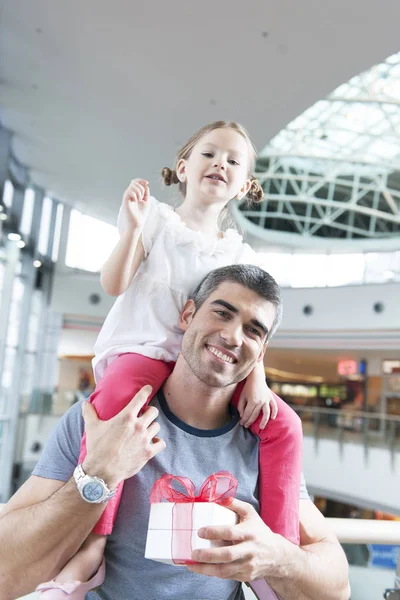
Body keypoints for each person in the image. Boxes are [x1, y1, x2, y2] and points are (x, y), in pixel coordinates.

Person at [31, 121, 302, 592]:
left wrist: (256, 380)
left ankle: (275, 551)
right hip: (143, 352)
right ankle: (95, 537)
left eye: (234, 161)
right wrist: (133, 230)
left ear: (246, 185)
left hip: (206, 368)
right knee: (123, 391)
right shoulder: (155, 219)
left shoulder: (239, 253)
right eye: (209, 153)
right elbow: (115, 285)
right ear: (183, 167)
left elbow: (247, 327)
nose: (221, 163)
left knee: (284, 424)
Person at [0, 265, 350, 600]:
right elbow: (5, 574)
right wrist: (98, 475)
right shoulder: (100, 421)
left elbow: (337, 590)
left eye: (253, 330)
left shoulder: (266, 444)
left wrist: (278, 557)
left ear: (261, 352)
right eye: (222, 313)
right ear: (187, 315)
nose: (232, 336)